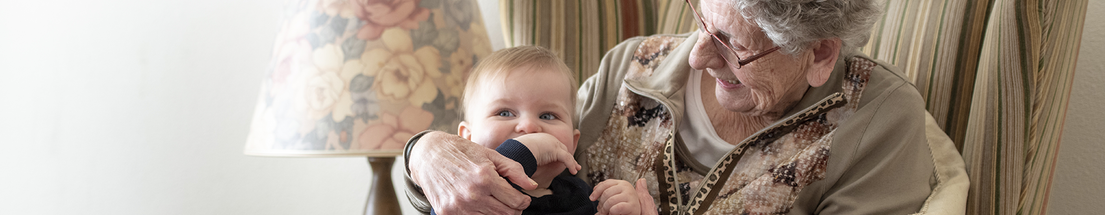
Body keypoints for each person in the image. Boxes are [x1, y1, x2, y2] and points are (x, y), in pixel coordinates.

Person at [402, 0, 968, 214]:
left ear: (819, 54)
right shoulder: (634, 66)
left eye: (732, 43)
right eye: (701, 17)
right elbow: (511, 151)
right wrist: (423, 154)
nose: (697, 54)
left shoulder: (876, 120)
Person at [420, 45, 651, 215]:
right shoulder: (470, 196)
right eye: (505, 113)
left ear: (571, 144)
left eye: (548, 116)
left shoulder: (582, 195)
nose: (529, 127)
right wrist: (524, 151)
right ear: (466, 141)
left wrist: (622, 209)